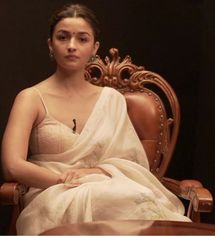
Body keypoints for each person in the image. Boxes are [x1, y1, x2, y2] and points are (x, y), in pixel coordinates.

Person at [1, 3, 190, 235]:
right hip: (50, 193)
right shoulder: (31, 98)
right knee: (106, 198)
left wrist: (96, 174)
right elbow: (12, 165)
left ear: (94, 47)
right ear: (51, 44)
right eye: (63, 37)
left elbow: (129, 162)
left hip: (107, 187)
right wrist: (65, 180)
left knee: (129, 198)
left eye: (82, 39)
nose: (72, 46)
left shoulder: (111, 100)